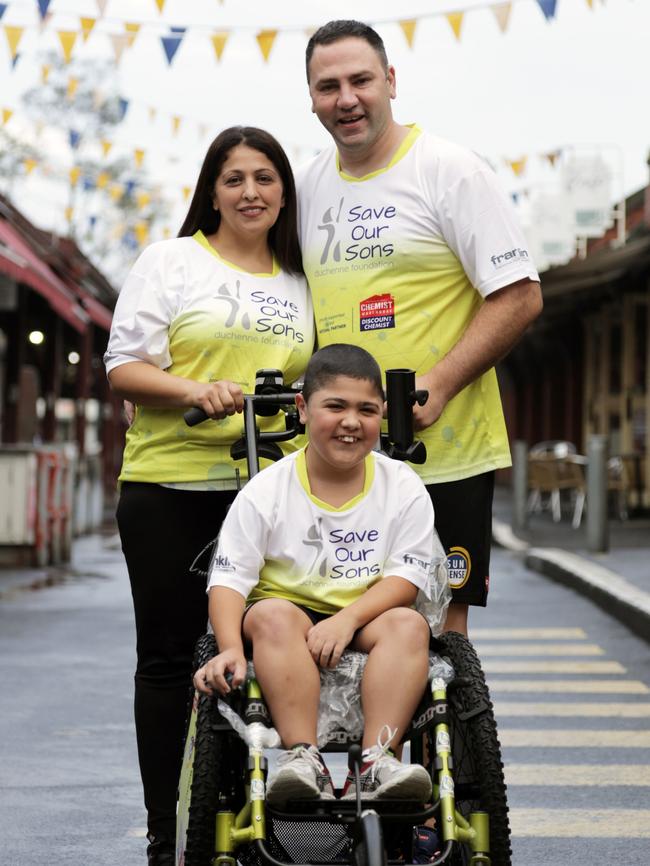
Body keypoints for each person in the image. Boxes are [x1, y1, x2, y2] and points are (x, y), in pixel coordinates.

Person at [104, 126, 314, 866]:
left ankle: (265, 808)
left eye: (265, 177)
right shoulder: (172, 260)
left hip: (270, 495)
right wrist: (198, 389)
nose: (250, 191)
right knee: (166, 658)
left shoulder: (300, 279)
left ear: (284, 190)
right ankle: (167, 832)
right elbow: (123, 367)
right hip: (169, 486)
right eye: (234, 179)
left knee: (266, 644)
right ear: (212, 190)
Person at [296, 20, 543, 637]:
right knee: (342, 621)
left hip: (446, 452)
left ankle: (441, 739)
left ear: (391, 81)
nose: (346, 99)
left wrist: (442, 380)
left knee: (440, 631)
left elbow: (519, 296)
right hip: (343, 454)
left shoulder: (450, 170)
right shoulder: (305, 188)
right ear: (311, 97)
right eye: (328, 86)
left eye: (360, 80)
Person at [194, 343, 438, 804]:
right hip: (286, 612)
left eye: (367, 410)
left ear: (383, 414)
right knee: (271, 617)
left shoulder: (402, 484)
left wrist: (346, 621)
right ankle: (303, 758)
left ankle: (377, 761)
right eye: (336, 406)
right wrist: (228, 648)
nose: (351, 422)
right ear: (303, 409)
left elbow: (407, 577)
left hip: (367, 613)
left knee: (409, 623)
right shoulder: (267, 490)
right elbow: (229, 579)